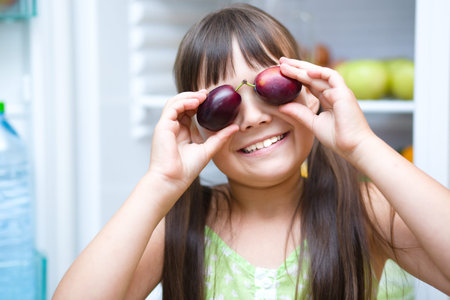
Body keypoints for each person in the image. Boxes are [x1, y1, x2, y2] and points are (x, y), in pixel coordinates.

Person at [53, 4, 450, 300]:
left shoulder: (363, 211)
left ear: (310, 95)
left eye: (272, 87)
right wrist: (159, 183)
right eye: (223, 104)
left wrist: (361, 146)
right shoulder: (181, 225)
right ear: (195, 124)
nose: (253, 119)